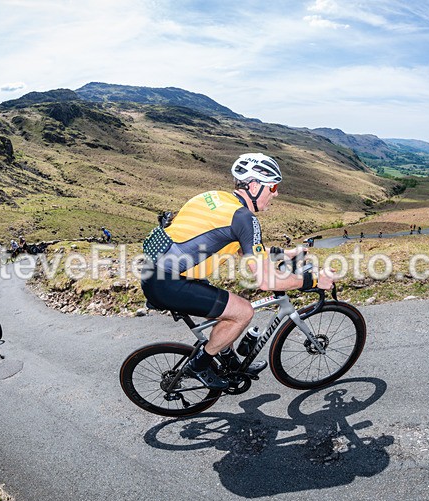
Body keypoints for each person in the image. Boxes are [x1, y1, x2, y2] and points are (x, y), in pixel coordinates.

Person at [140, 153, 337, 389]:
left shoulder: (215, 198)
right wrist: (314, 280)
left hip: (157, 272)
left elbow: (245, 250)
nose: (276, 193)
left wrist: (284, 254)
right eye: (273, 186)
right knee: (242, 312)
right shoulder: (244, 218)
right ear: (254, 186)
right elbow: (266, 281)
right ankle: (200, 366)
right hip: (169, 282)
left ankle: (229, 361)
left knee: (223, 312)